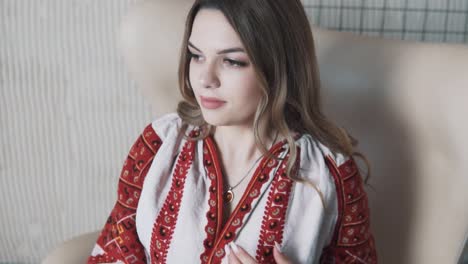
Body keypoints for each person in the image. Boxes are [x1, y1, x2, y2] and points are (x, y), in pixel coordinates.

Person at [87, 0, 378, 263]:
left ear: (279, 68)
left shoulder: (331, 175)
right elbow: (111, 254)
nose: (205, 78)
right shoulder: (159, 146)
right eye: (196, 55)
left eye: (232, 61)